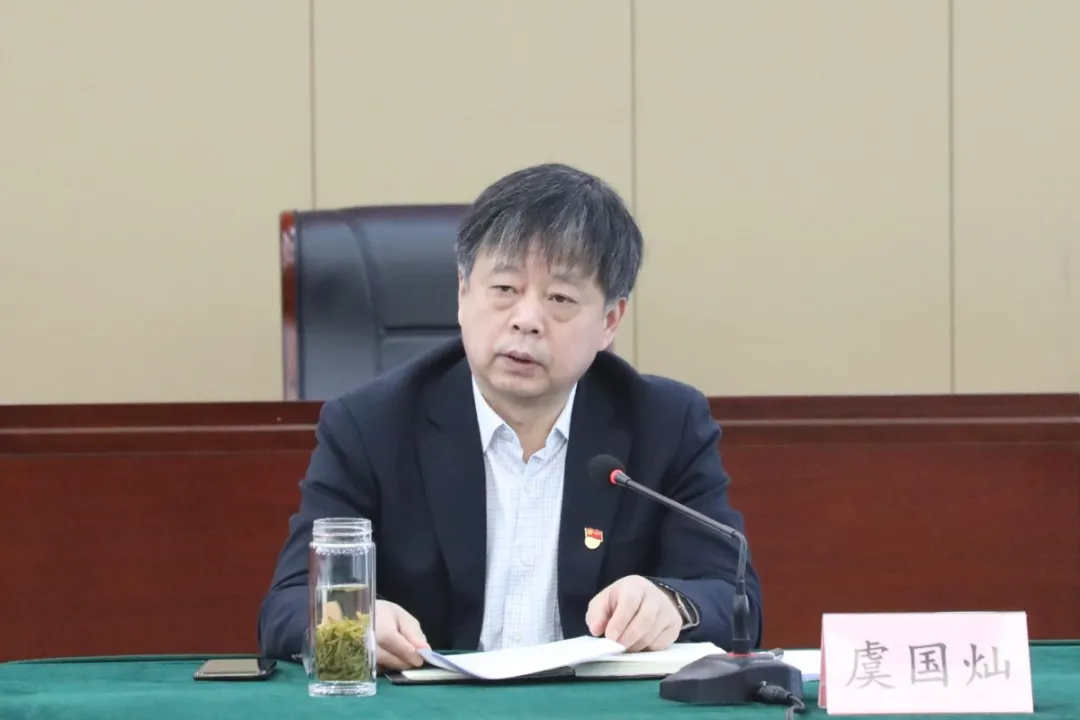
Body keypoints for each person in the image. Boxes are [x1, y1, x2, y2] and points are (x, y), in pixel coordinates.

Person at [258, 163, 763, 671]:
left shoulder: (665, 424)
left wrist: (671, 604)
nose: (526, 320)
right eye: (504, 289)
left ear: (610, 321)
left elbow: (731, 594)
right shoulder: (370, 425)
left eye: (560, 298)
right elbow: (287, 605)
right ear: (462, 292)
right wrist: (353, 621)